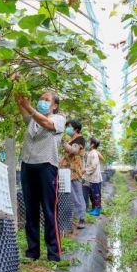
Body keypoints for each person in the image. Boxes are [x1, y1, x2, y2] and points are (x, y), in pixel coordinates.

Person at [17, 90, 65, 262]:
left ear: (54, 105)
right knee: (31, 210)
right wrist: (20, 98)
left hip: (46, 166)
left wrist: (29, 107)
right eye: (41, 99)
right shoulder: (32, 120)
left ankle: (54, 254)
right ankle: (32, 252)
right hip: (27, 165)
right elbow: (24, 110)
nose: (42, 102)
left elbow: (45, 122)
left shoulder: (59, 119)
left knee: (49, 210)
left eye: (47, 100)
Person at [60, 120, 87, 231]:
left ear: (76, 128)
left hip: (74, 171)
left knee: (77, 195)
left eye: (69, 127)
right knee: (69, 194)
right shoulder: (71, 139)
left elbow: (74, 151)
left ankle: (81, 219)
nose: (67, 129)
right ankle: (73, 218)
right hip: (67, 171)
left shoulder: (80, 139)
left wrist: (63, 143)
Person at [84, 137, 103, 216]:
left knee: (96, 194)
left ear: (92, 144)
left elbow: (93, 166)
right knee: (92, 194)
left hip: (95, 178)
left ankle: (97, 210)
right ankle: (94, 208)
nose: (87, 144)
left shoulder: (94, 153)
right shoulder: (91, 152)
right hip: (92, 178)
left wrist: (85, 171)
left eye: (88, 142)